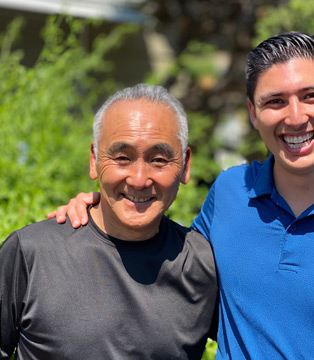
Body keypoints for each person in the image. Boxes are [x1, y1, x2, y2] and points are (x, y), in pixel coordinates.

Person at [47, 32, 314, 359]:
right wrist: (103, 210)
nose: (295, 117)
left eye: (311, 96)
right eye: (275, 101)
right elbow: (164, 258)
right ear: (253, 114)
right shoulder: (231, 192)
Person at [0, 84, 218, 359]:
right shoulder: (32, 253)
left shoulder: (203, 265)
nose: (139, 179)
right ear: (94, 160)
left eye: (159, 159)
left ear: (185, 165)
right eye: (122, 158)